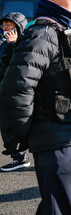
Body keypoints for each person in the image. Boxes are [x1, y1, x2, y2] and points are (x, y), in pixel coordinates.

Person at [0, 0, 71, 214]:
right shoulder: (42, 33)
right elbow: (17, 88)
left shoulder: (64, 30)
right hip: (55, 136)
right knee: (59, 207)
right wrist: (23, 134)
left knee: (58, 205)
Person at [0, 12, 29, 172]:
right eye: (3, 25)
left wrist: (11, 44)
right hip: (5, 91)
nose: (4, 28)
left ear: (18, 27)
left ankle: (20, 157)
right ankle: (19, 156)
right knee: (7, 126)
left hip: (16, 94)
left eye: (8, 25)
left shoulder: (22, 44)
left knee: (14, 126)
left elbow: (17, 65)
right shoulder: (4, 43)